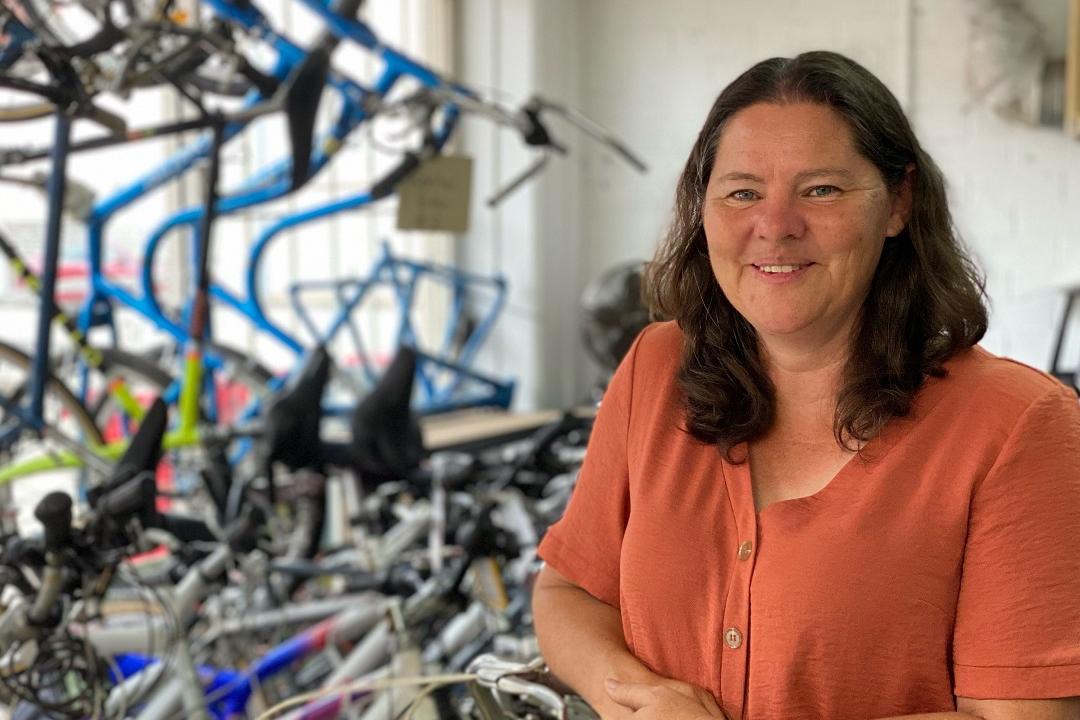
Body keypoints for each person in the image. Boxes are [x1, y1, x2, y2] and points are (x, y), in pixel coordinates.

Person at [531, 50, 1080, 720]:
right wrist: (635, 699)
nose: (776, 224)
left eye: (820, 190)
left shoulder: (1019, 425)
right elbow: (569, 592)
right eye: (742, 193)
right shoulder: (657, 365)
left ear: (898, 204)